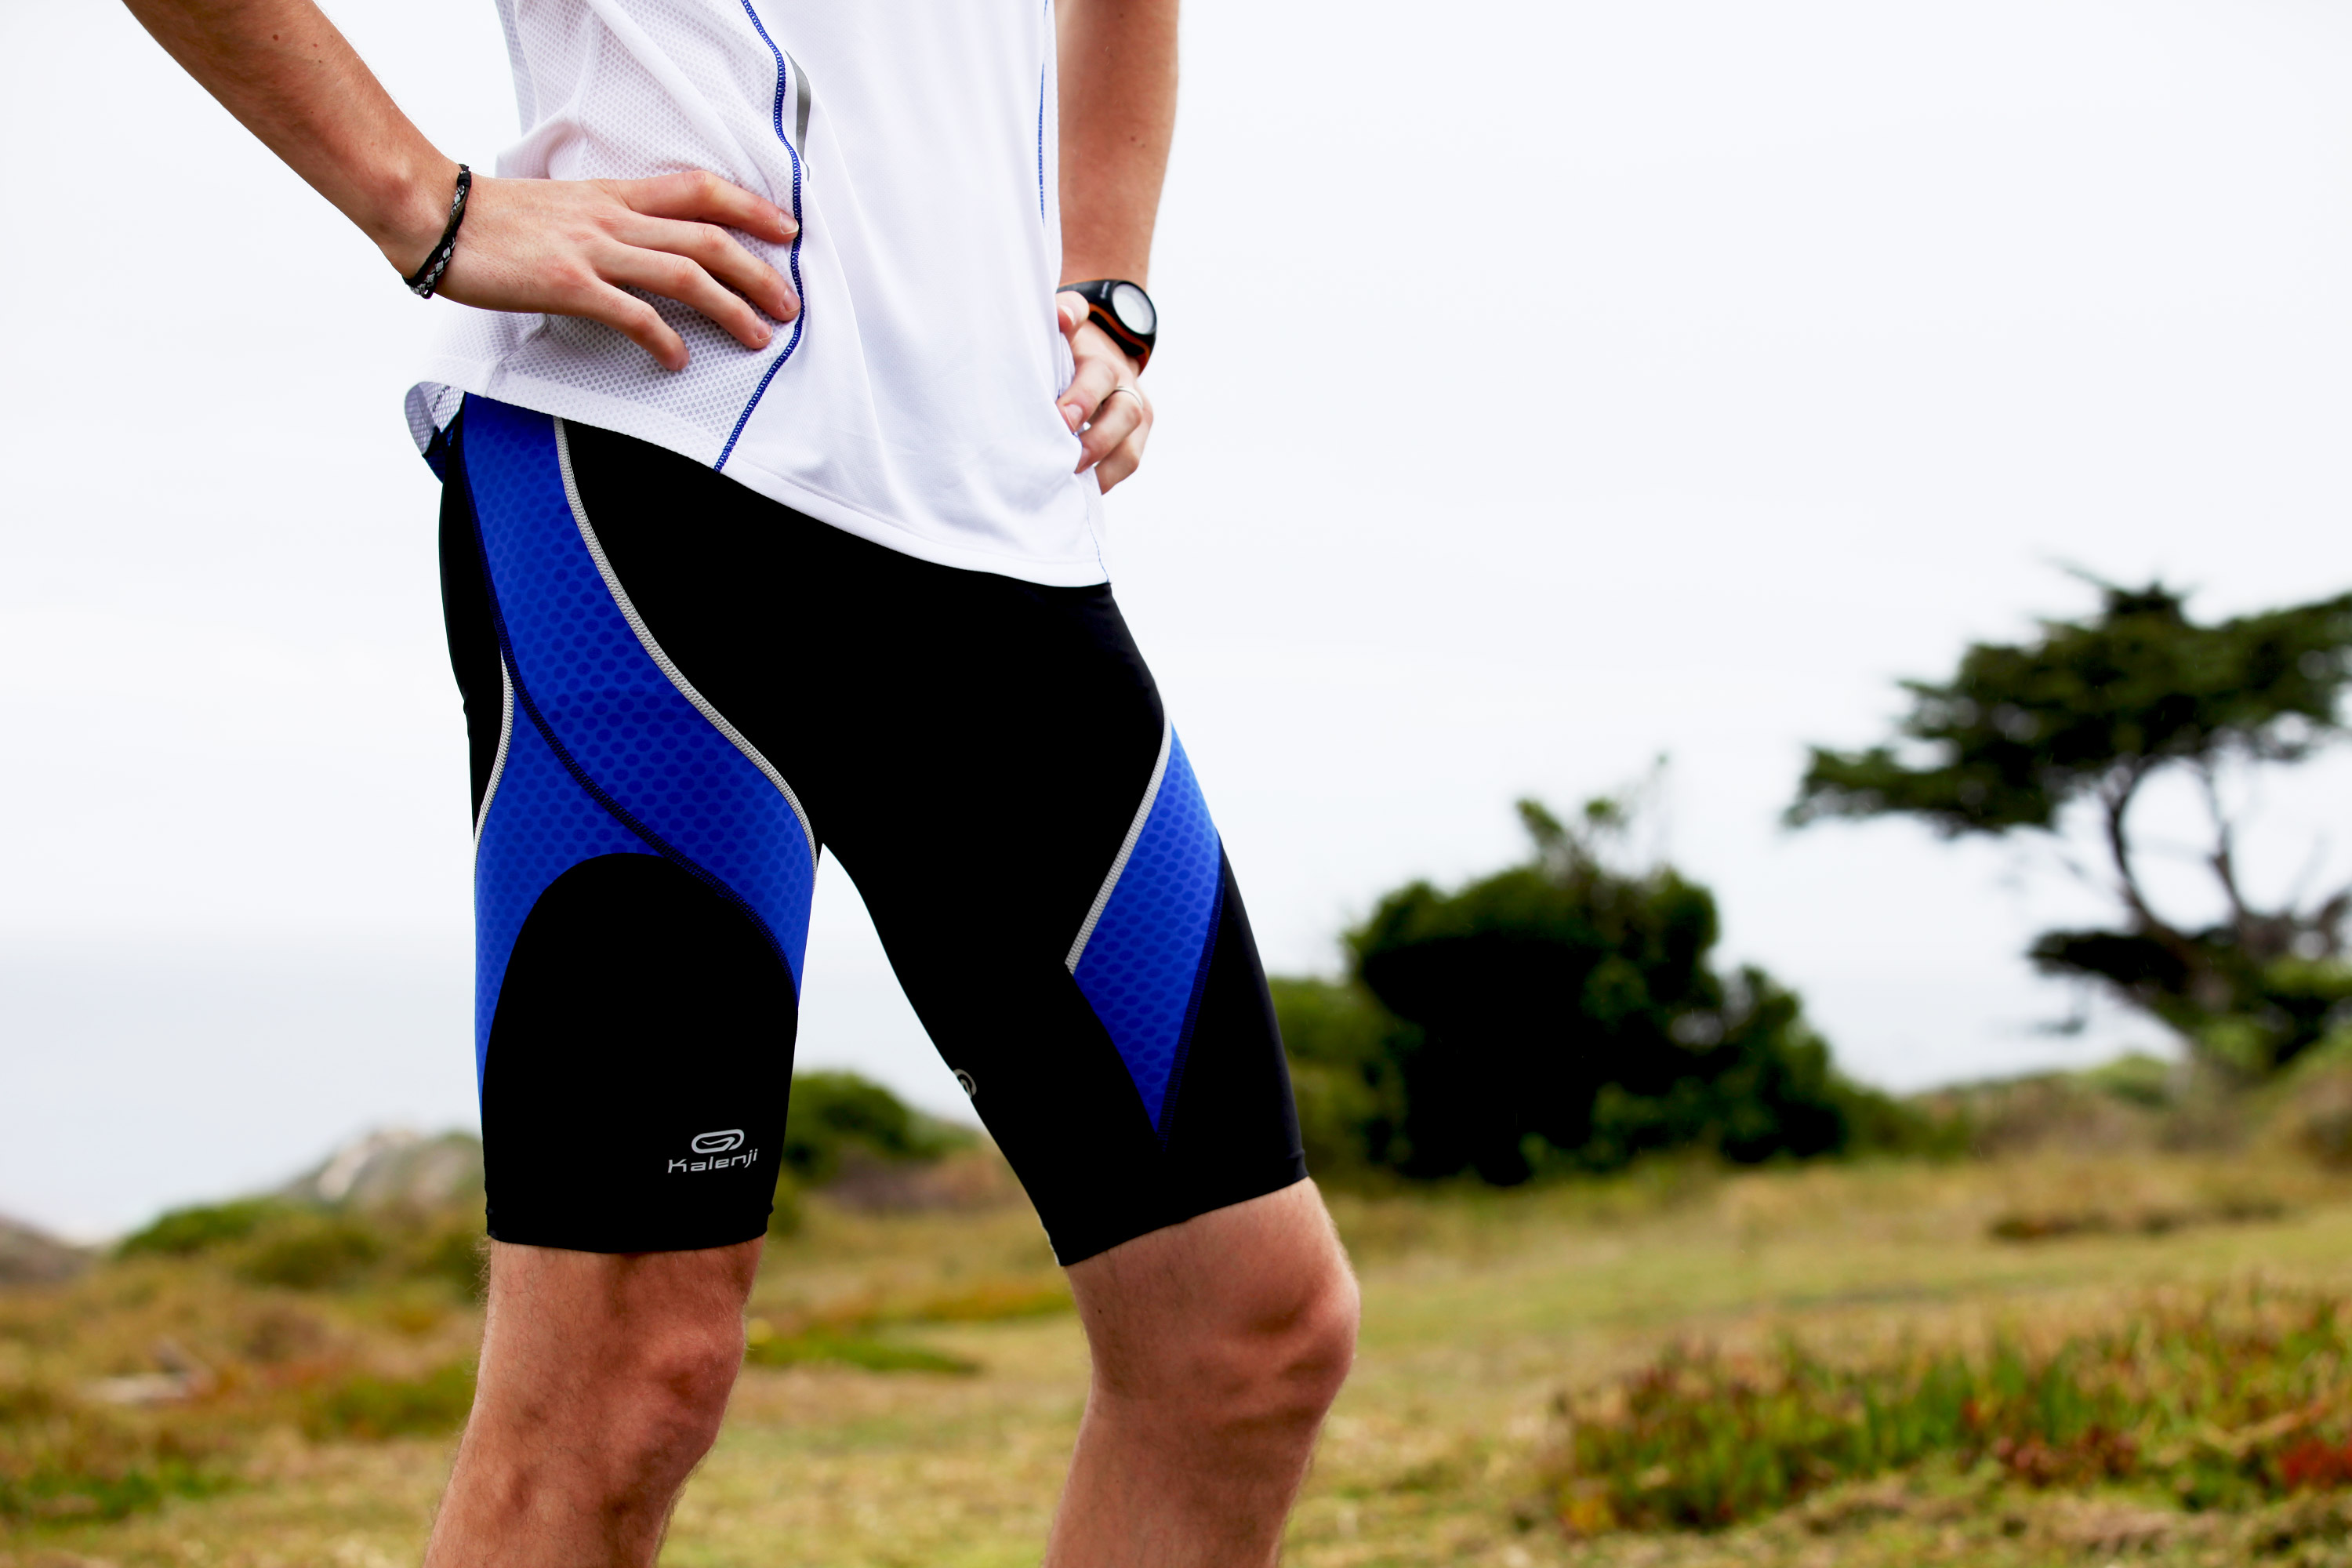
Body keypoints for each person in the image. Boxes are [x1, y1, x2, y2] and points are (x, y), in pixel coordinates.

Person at [119, 0, 1359, 1562]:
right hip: (657, 470)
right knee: (628, 1379)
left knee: (1247, 1331)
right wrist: (423, 204)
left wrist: (1104, 284)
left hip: (1004, 528)